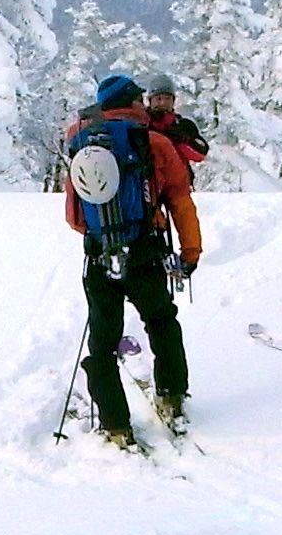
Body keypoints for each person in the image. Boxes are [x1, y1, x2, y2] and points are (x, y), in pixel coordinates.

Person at [61, 70, 203, 447]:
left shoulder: (80, 140)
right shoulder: (153, 142)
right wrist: (190, 252)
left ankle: (116, 425)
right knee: (160, 321)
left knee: (102, 343)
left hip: (98, 256)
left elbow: (74, 217)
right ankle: (171, 395)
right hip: (144, 251)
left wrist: (104, 235)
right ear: (132, 101)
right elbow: (180, 201)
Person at [140, 72, 210, 172]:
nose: (163, 103)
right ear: (150, 101)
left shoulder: (184, 125)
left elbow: (200, 154)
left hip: (178, 183)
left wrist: (180, 139)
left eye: (167, 98)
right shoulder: (141, 123)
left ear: (173, 101)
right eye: (158, 98)